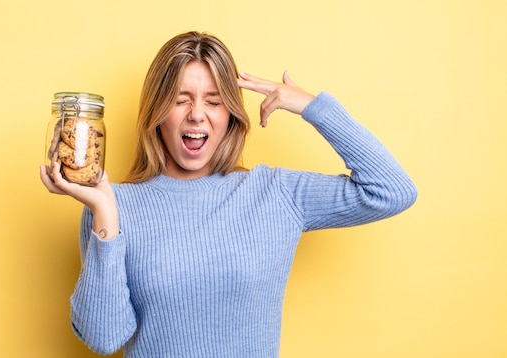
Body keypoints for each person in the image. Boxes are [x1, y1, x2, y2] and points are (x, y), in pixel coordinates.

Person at [39, 31, 417, 357]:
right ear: (157, 112)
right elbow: (104, 338)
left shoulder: (275, 193)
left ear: (231, 114)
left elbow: (392, 191)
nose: (197, 115)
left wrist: (310, 106)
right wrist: (105, 211)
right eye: (180, 98)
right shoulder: (112, 207)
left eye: (214, 101)